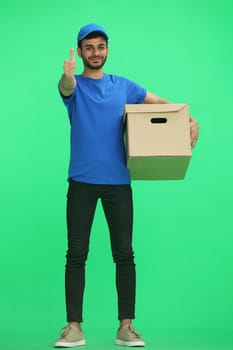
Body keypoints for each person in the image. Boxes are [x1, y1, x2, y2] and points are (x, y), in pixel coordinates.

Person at [55, 23, 199, 348]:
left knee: (124, 254)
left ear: (107, 49)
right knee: (76, 254)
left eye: (100, 46)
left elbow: (162, 103)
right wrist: (67, 74)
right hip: (81, 183)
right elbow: (65, 87)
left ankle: (126, 327)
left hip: (119, 183)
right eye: (89, 48)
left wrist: (191, 119)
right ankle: (74, 328)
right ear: (80, 52)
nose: (95, 53)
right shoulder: (74, 86)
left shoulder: (124, 86)